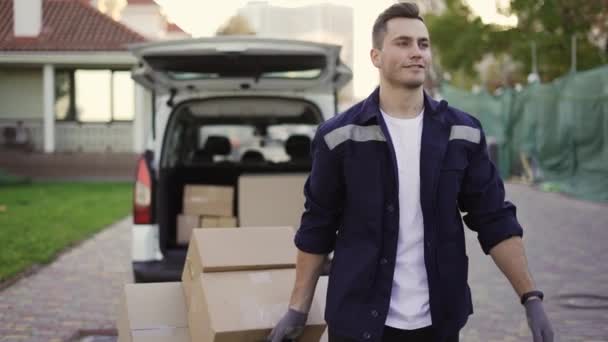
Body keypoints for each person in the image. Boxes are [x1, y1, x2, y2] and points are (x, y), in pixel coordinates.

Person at [267, 3, 554, 342]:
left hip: (439, 321)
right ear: (375, 56)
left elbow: (494, 219)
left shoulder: (462, 133)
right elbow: (318, 226)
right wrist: (298, 308)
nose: (416, 52)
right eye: (403, 43)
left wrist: (530, 296)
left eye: (423, 44)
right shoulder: (339, 136)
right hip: (357, 320)